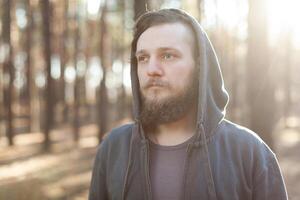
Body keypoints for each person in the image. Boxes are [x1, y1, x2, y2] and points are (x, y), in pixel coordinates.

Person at [88, 8, 288, 200]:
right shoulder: (113, 149)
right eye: (143, 58)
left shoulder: (249, 152)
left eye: (168, 55)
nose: (152, 69)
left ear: (200, 66)